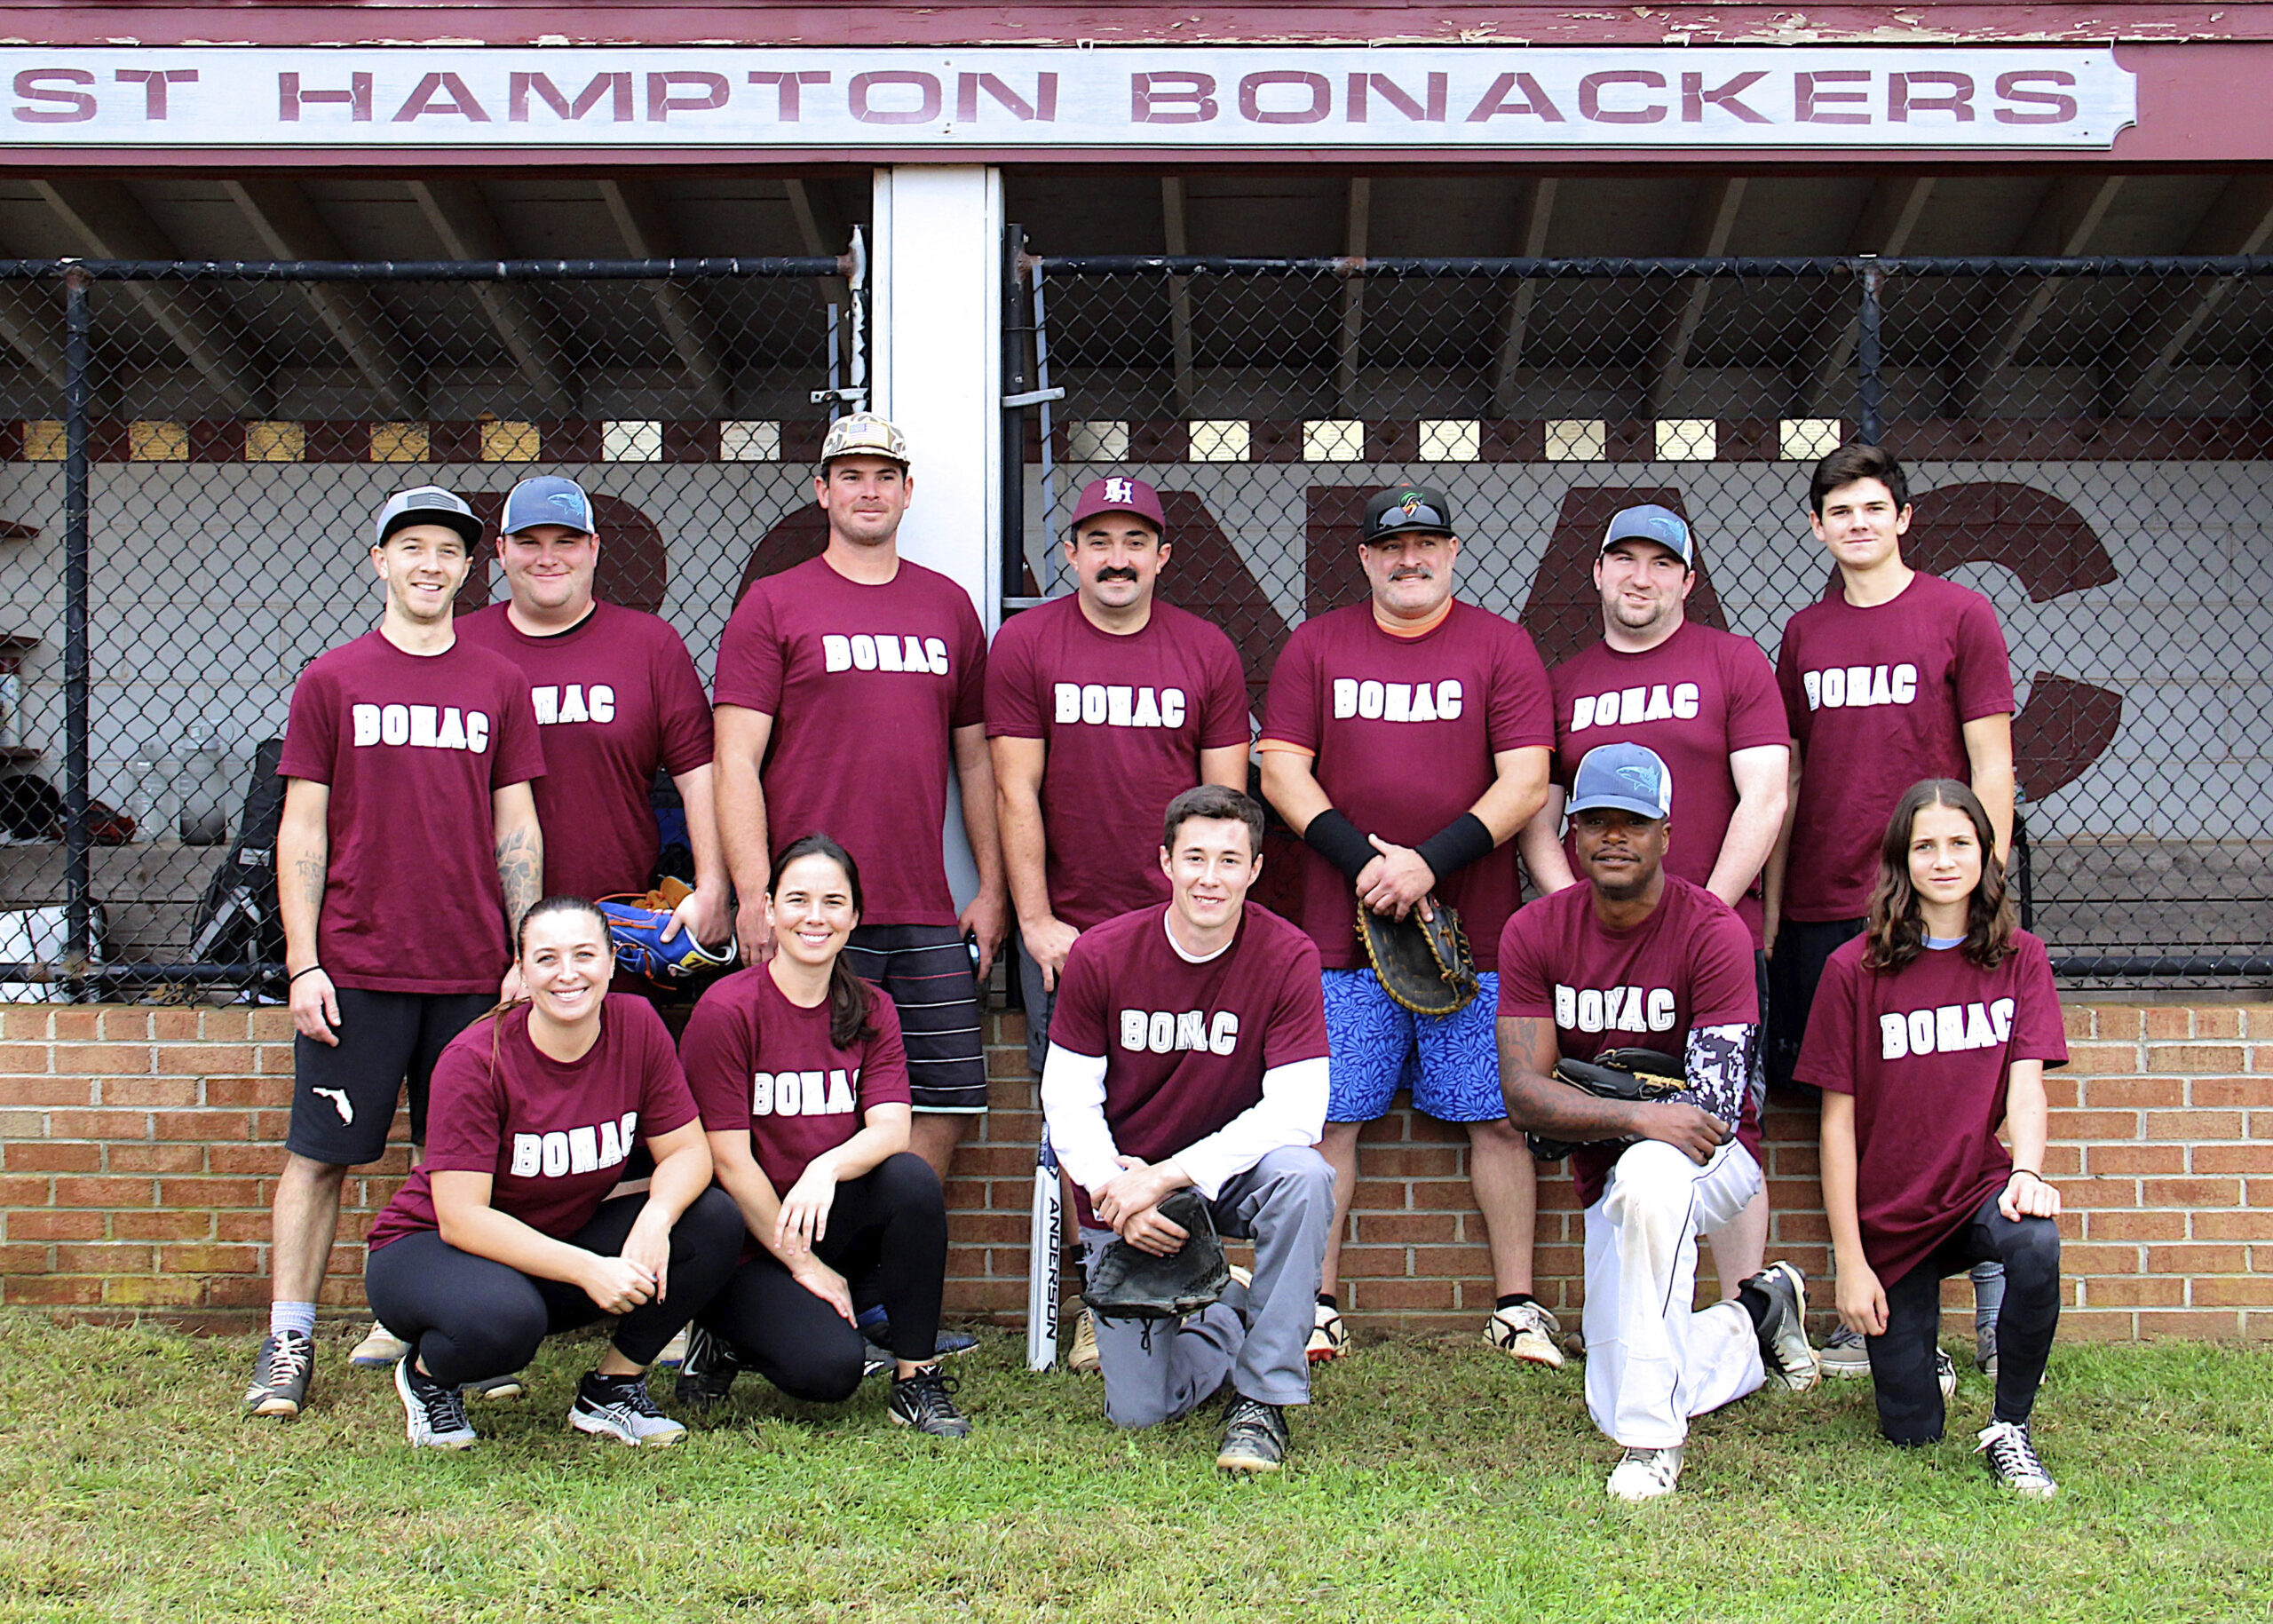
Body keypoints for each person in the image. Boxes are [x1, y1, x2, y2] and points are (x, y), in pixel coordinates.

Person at [348, 473, 731, 1378]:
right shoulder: (464, 642)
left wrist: (712, 881)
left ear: (595, 550)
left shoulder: (648, 643)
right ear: (502, 555)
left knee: (627, 1114)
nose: (547, 557)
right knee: (459, 1106)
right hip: (485, 923)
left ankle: (648, 1286)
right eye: (528, 543)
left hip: (613, 928)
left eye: (566, 541)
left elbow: (696, 769)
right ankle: (429, 1298)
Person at [245, 487, 547, 1422]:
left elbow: (517, 822)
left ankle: (447, 1328)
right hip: (358, 968)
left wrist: (523, 950)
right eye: (410, 547)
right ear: (379, 561)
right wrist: (304, 961)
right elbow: (304, 828)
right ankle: (289, 1335)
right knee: (319, 1155)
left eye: (447, 551)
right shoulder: (332, 678)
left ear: (469, 568)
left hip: (467, 971)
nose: (428, 564)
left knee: (457, 1167)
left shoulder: (498, 682)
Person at [1257, 484, 1553, 1365]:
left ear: (1454, 553)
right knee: (1330, 1122)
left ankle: (1516, 1304)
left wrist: (1428, 861)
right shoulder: (1317, 645)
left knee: (1497, 1118)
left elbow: (1526, 779)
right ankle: (1314, 1304)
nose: (1409, 559)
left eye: (1426, 544)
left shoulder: (1500, 645)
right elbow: (1281, 773)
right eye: (1391, 547)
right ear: (1365, 559)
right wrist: (1370, 865)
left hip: (1475, 931)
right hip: (1339, 934)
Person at [1496, 743, 1820, 1501]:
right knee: (1608, 1385)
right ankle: (1757, 1320)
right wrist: (1639, 1111)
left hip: (1716, 1165)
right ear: (1571, 832)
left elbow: (1705, 1115)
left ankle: (1652, 1442)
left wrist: (1612, 1118)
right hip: (1609, 1163)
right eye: (1597, 821)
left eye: (1632, 822)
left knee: (1649, 1178)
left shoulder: (1712, 930)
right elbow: (1521, 1095)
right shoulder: (1536, 930)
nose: (1614, 836)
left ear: (1666, 833)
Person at [986, 474, 1250, 1374]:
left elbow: (1227, 805)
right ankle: (1108, 1293)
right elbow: (1012, 789)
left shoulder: (1206, 649)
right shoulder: (1026, 644)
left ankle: (1184, 1276)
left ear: (1162, 556)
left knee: (1185, 1091)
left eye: (1135, 540)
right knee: (1080, 1111)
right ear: (1070, 553)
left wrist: (1214, 916)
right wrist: (1036, 918)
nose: (1116, 556)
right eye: (1097, 539)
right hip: (1075, 931)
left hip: (1184, 924)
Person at [1767, 443, 2017, 1380]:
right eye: (1840, 510)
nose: (1858, 523)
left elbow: (1990, 761)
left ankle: (1994, 1300)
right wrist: (1774, 912)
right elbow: (1791, 778)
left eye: (1874, 506)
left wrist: (1976, 883)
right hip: (1832, 902)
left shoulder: (1959, 613)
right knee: (1850, 1105)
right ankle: (1873, 1303)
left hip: (1941, 900)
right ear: (1817, 526)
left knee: (1958, 1094)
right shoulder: (1803, 634)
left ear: (1904, 517)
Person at [713, 414, 1008, 1197]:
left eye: (884, 476)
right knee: (806, 1100)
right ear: (822, 491)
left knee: (942, 1097)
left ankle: (888, 1287)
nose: (868, 491)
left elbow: (975, 760)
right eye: (850, 475)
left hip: (922, 903)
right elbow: (733, 759)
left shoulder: (948, 607)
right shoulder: (773, 604)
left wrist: (991, 887)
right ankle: (801, 1287)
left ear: (908, 492)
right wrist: (754, 895)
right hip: (810, 908)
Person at [1516, 503, 1788, 1297]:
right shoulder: (1564, 681)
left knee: (1731, 1121)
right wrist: (1580, 918)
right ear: (1597, 572)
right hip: (1593, 956)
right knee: (1603, 1106)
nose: (1642, 577)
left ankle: (1749, 1309)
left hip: (1715, 943)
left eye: (1661, 563)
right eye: (1624, 559)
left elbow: (1764, 799)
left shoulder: (1734, 662)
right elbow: (1539, 815)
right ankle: (1632, 1310)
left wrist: (1697, 921)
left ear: (1688, 581)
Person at [363, 896, 742, 1448]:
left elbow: (688, 1153)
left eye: (584, 955)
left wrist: (655, 1219)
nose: (568, 974)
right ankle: (427, 1381)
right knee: (507, 1323)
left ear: (613, 963)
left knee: (711, 1220)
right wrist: (589, 1269)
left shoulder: (636, 1026)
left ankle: (613, 1389)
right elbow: (462, 1218)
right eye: (546, 959)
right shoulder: (475, 1059)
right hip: (428, 1248)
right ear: (520, 971)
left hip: (549, 1242)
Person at [1040, 786, 1334, 1473]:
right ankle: (1230, 1310)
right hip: (1129, 1182)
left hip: (1222, 1176)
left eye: (1229, 860)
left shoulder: (1287, 954)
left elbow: (1297, 1110)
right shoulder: (1103, 954)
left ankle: (1264, 1398)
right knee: (1141, 1411)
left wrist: (1164, 1180)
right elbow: (1068, 1097)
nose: (1210, 876)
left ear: (1256, 870)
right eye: (1195, 857)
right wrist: (1117, 1188)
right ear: (1165, 862)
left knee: (1306, 1175)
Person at [1802, 780, 2066, 1495]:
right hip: (1891, 1219)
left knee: (2035, 1240)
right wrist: (1851, 1263)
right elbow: (1836, 1125)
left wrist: (2028, 1173)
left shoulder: (2020, 957)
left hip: (1976, 1189)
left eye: (1960, 843)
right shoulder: (1853, 969)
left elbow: (2026, 1083)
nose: (1944, 860)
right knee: (1911, 1430)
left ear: (1986, 853)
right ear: (1901, 859)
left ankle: (2010, 1427)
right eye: (1926, 845)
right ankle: (1926, 1367)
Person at [673, 834, 970, 1438]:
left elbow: (891, 1128)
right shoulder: (727, 1010)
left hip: (825, 1216)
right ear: (770, 908)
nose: (816, 916)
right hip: (747, 1240)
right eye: (799, 899)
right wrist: (801, 1263)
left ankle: (916, 1380)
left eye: (833, 901)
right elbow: (728, 1161)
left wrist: (825, 1167)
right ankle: (721, 1333)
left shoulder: (871, 1007)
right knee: (830, 1371)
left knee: (911, 1177)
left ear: (855, 915)